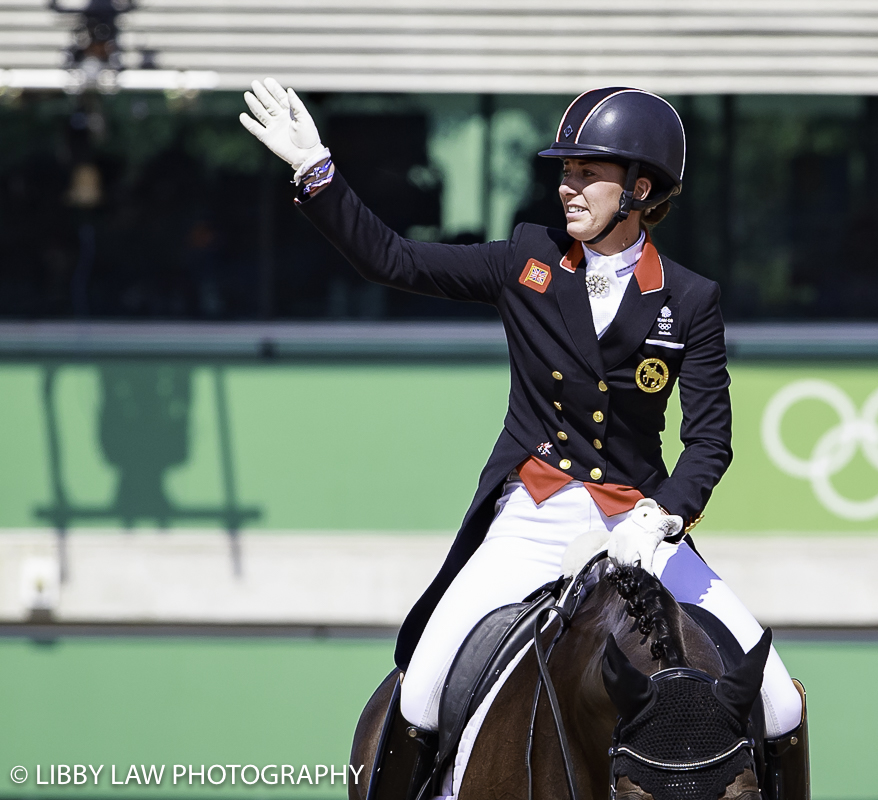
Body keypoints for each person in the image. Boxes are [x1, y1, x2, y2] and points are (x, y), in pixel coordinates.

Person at [239, 80, 806, 796]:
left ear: (641, 187)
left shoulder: (690, 299)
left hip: (639, 523)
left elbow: (709, 442)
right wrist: (317, 173)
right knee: (421, 687)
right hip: (535, 516)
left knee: (780, 700)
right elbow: (393, 259)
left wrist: (662, 516)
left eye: (586, 173)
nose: (567, 187)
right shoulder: (527, 260)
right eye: (564, 171)